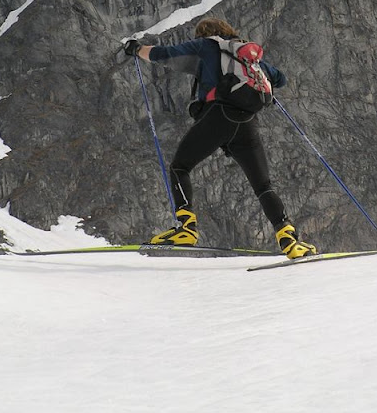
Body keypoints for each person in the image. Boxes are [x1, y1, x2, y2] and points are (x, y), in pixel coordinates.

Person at [123, 17, 316, 259]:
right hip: (247, 123)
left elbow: (164, 53)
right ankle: (289, 239)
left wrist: (137, 49)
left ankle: (186, 228)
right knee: (263, 186)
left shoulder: (206, 46)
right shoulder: (244, 55)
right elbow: (280, 79)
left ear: (204, 34)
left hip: (219, 116)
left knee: (180, 167)